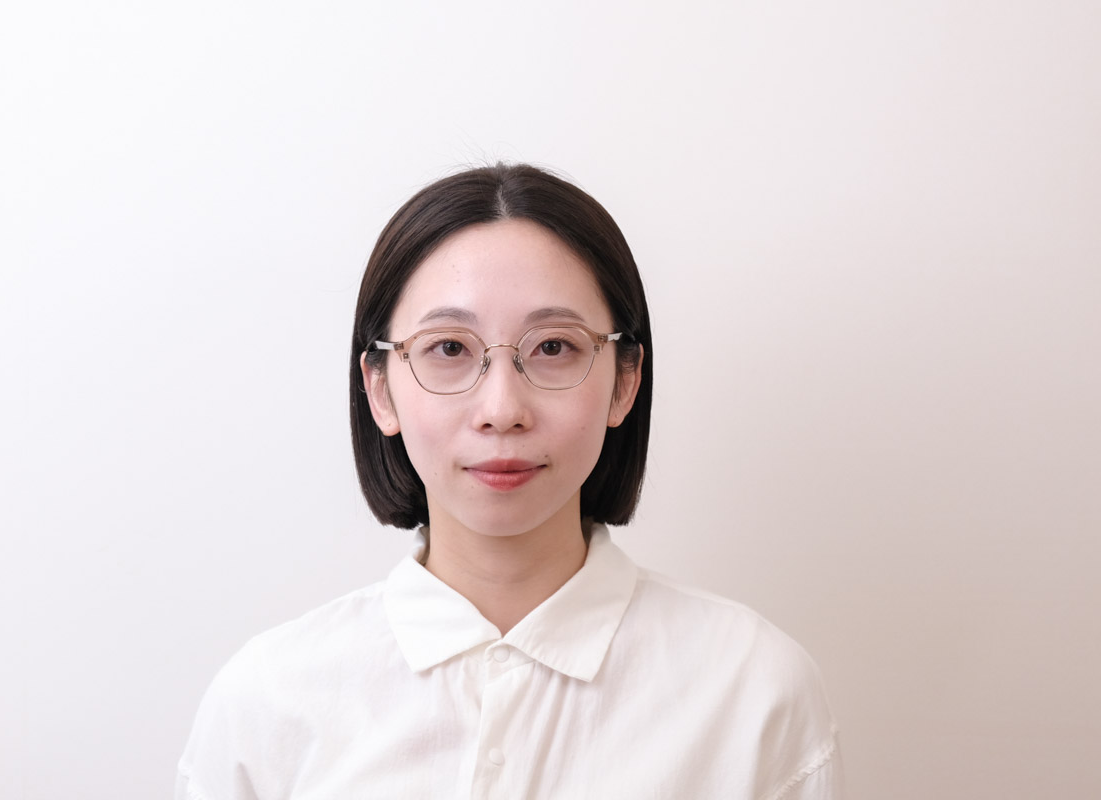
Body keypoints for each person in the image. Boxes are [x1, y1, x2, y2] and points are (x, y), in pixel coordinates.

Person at [176, 164, 844, 799]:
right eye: (449, 348)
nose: (502, 409)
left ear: (626, 381)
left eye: (553, 347)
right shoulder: (267, 704)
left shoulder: (753, 692)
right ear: (379, 389)